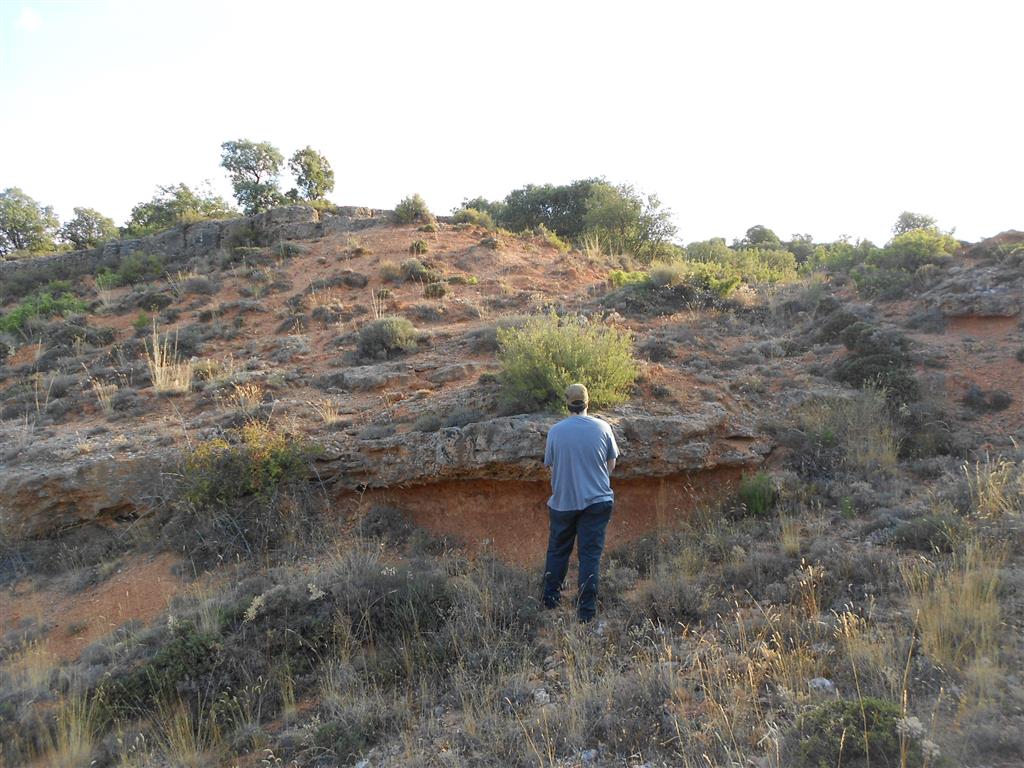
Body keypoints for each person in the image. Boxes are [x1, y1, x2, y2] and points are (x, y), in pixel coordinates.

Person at [542, 382, 620, 623]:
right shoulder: (603, 427)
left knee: (557, 551)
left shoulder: (555, 431)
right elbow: (611, 464)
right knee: (589, 557)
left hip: (564, 503)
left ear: (567, 404)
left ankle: (550, 601)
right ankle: (586, 613)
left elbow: (551, 466)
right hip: (597, 501)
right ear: (588, 402)